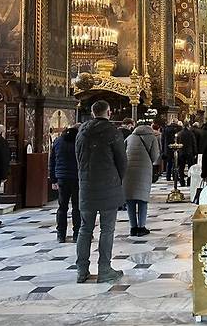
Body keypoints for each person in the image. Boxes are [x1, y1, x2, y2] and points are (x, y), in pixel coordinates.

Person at [75, 100, 127, 284]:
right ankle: (104, 269)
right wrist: (118, 179)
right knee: (107, 230)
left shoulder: (81, 132)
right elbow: (122, 160)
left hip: (86, 187)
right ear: (109, 112)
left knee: (84, 229)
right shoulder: (112, 132)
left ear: (92, 112)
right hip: (108, 186)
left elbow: (78, 159)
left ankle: (82, 270)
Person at [123, 121, 160, 237]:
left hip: (128, 170)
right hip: (144, 170)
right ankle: (141, 227)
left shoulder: (130, 137)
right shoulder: (152, 138)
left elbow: (123, 153)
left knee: (130, 200)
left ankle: (133, 227)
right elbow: (155, 156)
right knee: (142, 199)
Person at [49, 124, 81, 242]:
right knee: (77, 207)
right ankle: (77, 234)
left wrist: (53, 179)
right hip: (77, 177)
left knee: (62, 207)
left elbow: (52, 161)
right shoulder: (79, 141)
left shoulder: (58, 141)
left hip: (62, 177)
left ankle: (61, 234)